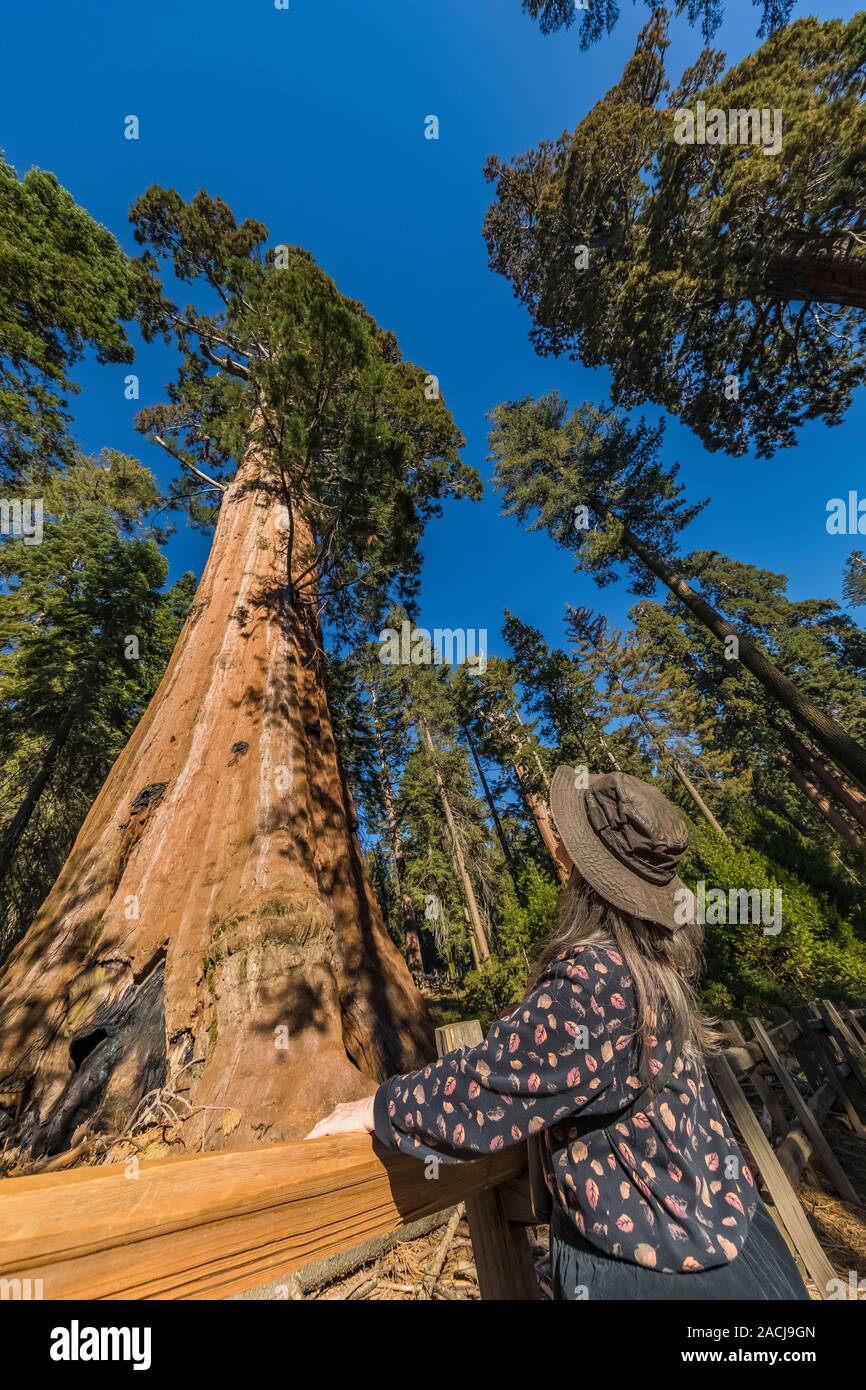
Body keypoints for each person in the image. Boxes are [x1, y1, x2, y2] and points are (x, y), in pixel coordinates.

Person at [306, 767, 810, 1301]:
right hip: (744, 1238)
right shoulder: (654, 967)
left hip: (654, 1264)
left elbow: (494, 1085)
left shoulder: (595, 977)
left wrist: (378, 1107)